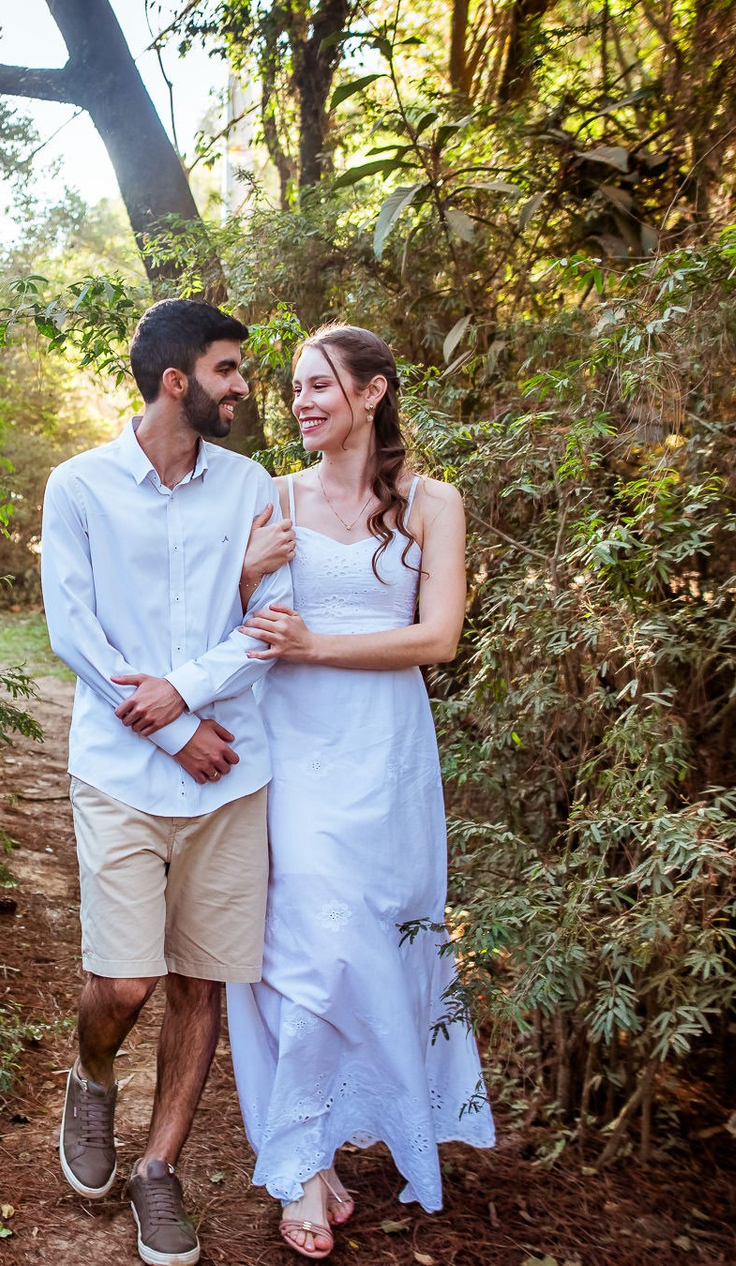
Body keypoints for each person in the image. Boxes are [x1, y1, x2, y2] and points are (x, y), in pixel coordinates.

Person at [227, 324, 495, 1258]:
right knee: (305, 943)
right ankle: (301, 1163)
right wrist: (245, 575)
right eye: (295, 388)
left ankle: (331, 1136)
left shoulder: (432, 502)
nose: (299, 402)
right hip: (289, 747)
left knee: (372, 939)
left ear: (372, 392)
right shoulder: (270, 497)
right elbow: (227, 618)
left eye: (319, 386)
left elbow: (439, 638)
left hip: (385, 752)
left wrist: (319, 645)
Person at [40, 299, 293, 1266]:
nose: (243, 387)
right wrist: (176, 729)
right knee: (125, 979)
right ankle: (92, 1071)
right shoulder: (79, 485)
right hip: (122, 772)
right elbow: (75, 632)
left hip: (232, 776)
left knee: (198, 980)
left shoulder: (252, 487)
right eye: (228, 370)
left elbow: (270, 626)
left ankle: (159, 1169)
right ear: (177, 380)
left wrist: (186, 697)